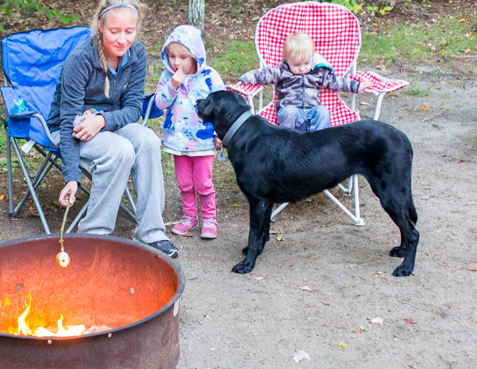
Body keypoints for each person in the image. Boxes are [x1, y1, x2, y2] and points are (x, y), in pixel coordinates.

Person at [46, 0, 178, 257]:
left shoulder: (137, 54)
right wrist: (71, 176)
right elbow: (66, 121)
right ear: (100, 27)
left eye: (129, 31)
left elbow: (132, 109)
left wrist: (104, 121)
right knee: (121, 149)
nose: (122, 39)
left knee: (148, 139)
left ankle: (151, 232)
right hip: (73, 128)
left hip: (109, 122)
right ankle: (94, 235)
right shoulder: (81, 59)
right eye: (114, 31)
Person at [153, 25, 224, 239]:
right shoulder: (168, 76)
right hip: (177, 140)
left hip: (202, 142)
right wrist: (172, 87)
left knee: (203, 182)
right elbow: (159, 104)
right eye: (172, 56)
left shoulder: (210, 77)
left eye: (183, 57)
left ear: (196, 55)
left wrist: (220, 133)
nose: (176, 62)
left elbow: (222, 107)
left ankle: (210, 218)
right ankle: (189, 216)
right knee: (184, 182)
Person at [236, 32, 373, 132]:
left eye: (306, 63)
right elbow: (264, 74)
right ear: (287, 59)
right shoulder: (282, 71)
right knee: (289, 112)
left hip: (312, 112)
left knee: (323, 111)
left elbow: (336, 82)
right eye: (296, 64)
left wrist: (357, 86)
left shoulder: (317, 71)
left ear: (312, 58)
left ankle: (319, 143)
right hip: (291, 113)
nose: (302, 68)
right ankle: (287, 144)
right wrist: (245, 79)